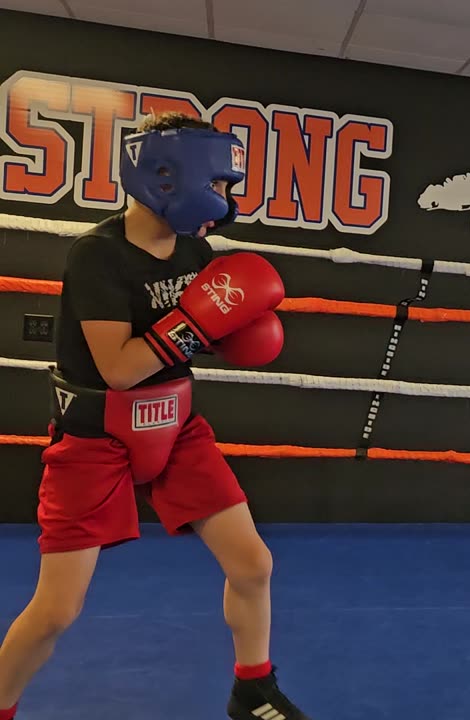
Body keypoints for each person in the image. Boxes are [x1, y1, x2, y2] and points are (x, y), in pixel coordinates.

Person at [0, 112, 310, 720]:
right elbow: (118, 367)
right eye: (217, 183)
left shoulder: (196, 248)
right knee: (57, 610)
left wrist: (229, 333)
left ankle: (253, 688)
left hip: (176, 427)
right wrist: (198, 324)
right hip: (96, 438)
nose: (224, 198)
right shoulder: (99, 256)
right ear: (168, 176)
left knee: (252, 564)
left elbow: (192, 336)